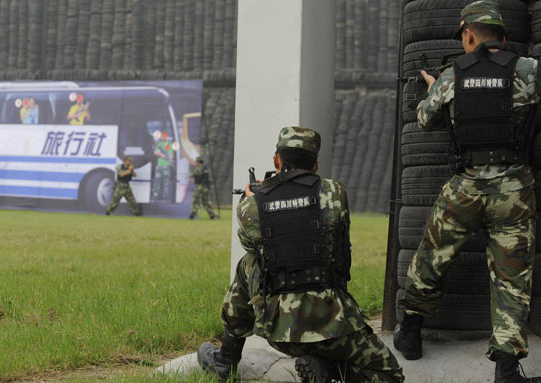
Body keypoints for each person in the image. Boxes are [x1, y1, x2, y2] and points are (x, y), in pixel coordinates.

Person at [393, 1, 540, 382]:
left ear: (469, 34)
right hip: (513, 190)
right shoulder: (530, 71)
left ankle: (409, 332)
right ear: (504, 38)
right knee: (512, 278)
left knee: (431, 257)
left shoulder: (452, 75)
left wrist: (434, 88)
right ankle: (506, 369)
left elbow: (425, 120)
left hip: (466, 188)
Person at [197, 127, 404, 383]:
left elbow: (251, 244)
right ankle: (331, 372)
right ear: (315, 165)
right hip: (335, 327)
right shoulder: (336, 192)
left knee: (248, 263)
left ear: (276, 160)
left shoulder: (252, 206)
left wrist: (254, 199)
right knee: (390, 376)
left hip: (281, 331)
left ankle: (226, 358)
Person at [152, 131, 174, 201]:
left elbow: (171, 153)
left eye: (165, 136)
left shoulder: (169, 144)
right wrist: (161, 155)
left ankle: (165, 198)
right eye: (163, 136)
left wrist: (170, 159)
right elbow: (155, 152)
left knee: (166, 182)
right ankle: (155, 197)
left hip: (166, 166)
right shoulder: (160, 144)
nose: (164, 137)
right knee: (157, 181)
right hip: (159, 165)